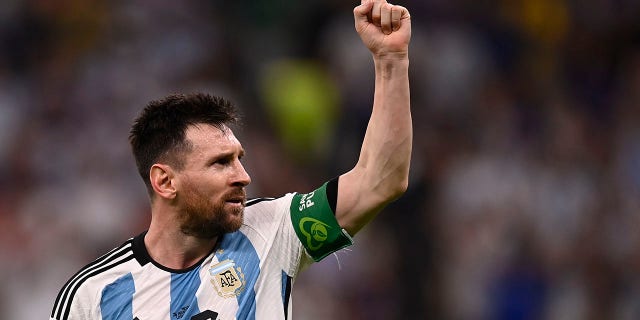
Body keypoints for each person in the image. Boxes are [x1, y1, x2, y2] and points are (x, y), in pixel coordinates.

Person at [50, 0, 411, 319]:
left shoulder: (272, 229)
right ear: (164, 181)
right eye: (220, 163)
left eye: (239, 159)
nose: (243, 176)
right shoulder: (92, 298)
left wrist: (391, 60)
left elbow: (380, 181)